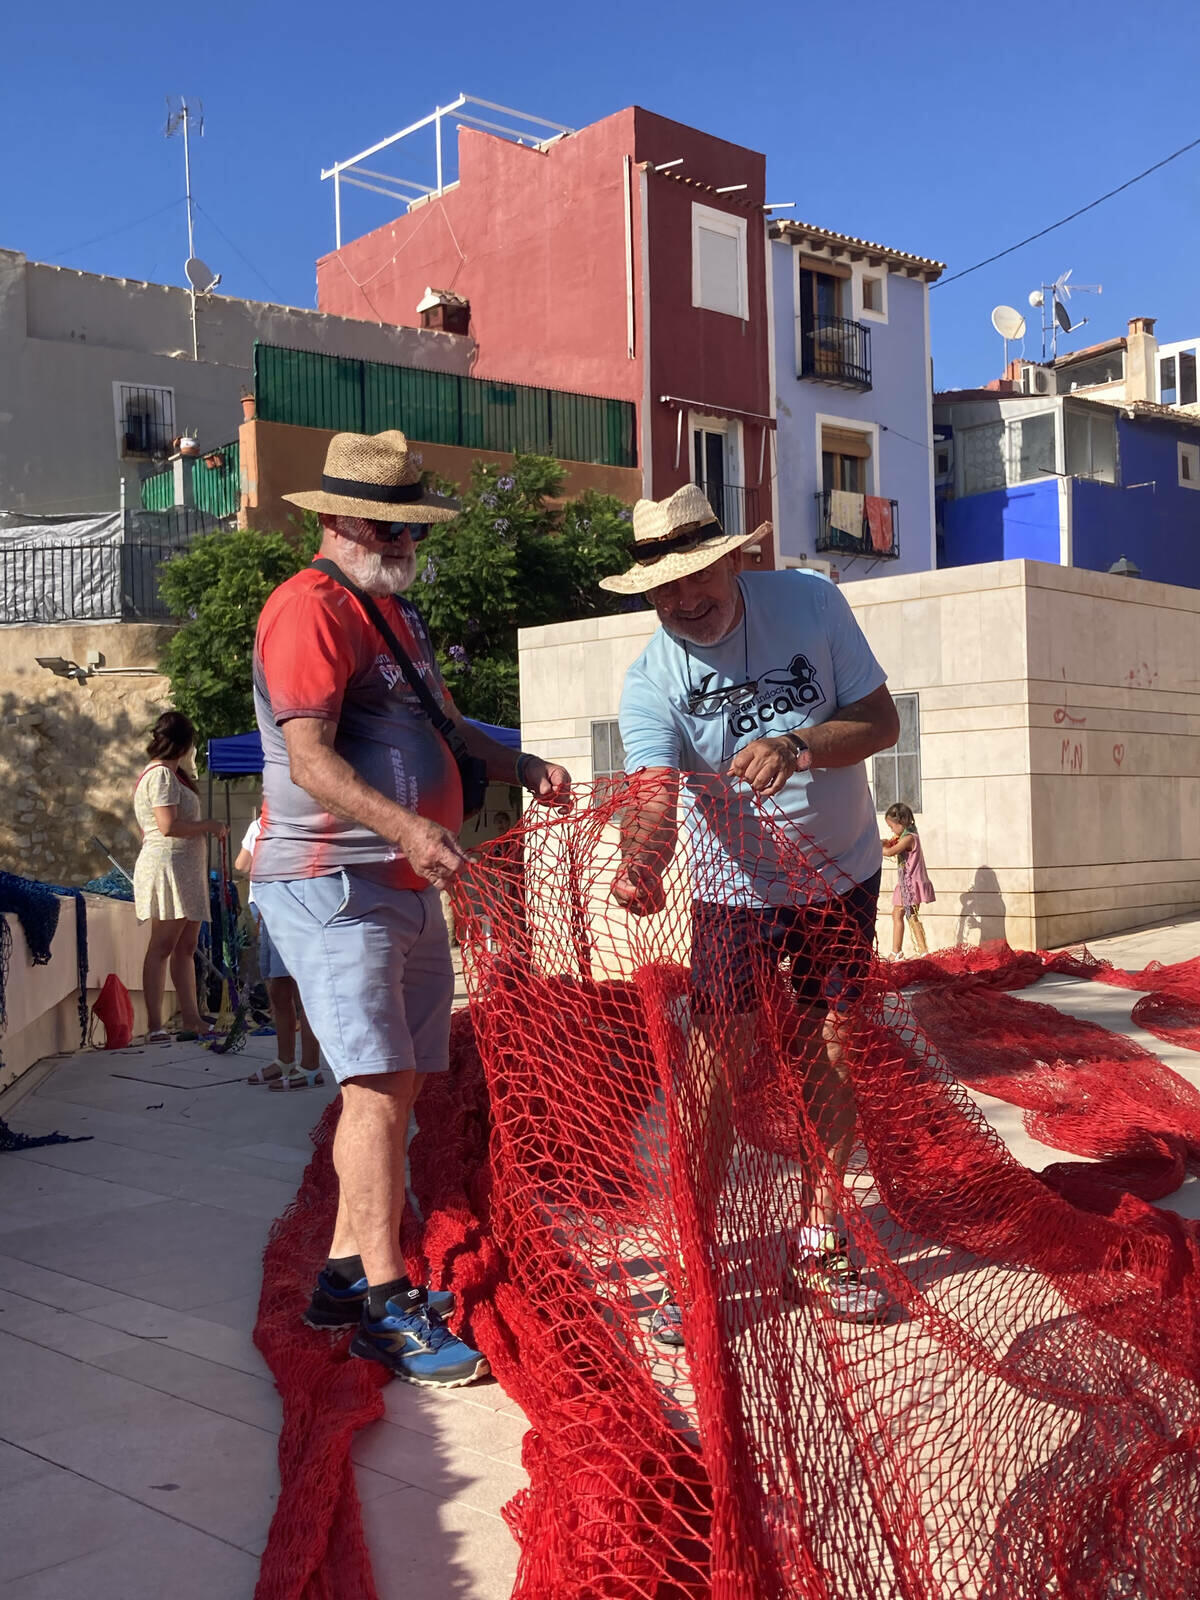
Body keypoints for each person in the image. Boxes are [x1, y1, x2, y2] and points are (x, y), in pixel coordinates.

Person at [250, 429, 571, 1388]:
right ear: (341, 521)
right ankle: (389, 1307)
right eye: (389, 526)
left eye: (410, 527)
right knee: (378, 1084)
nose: (403, 542)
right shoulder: (308, 610)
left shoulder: (394, 612)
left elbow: (444, 722)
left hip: (407, 882)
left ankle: (347, 1277)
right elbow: (311, 759)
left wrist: (517, 761)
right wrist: (406, 828)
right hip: (335, 882)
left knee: (406, 1081)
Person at [599, 484, 900, 1343]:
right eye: (665, 588)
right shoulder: (651, 678)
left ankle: (819, 1239)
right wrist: (640, 864)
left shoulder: (810, 600)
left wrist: (798, 744)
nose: (686, 599)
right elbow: (654, 797)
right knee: (714, 1072)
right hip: (734, 890)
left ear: (736, 559)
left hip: (841, 873)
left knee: (830, 1050)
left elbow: (878, 722)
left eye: (699, 575)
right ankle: (689, 1254)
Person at [133, 711, 228, 1042]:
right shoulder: (160, 776)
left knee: (186, 946)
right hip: (169, 867)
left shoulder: (176, 776)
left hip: (185, 869)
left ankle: (191, 1019)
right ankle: (155, 1025)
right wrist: (209, 826)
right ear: (185, 743)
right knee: (162, 945)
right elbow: (167, 826)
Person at [235, 815, 324, 1089]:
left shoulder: (303, 821)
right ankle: (285, 1060)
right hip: (265, 907)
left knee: (303, 989)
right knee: (278, 989)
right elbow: (241, 865)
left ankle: (310, 1065)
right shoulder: (259, 825)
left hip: (294, 906)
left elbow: (243, 863)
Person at [881, 802, 935, 958]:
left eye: (892, 826)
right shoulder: (906, 835)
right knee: (906, 915)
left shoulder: (909, 838)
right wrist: (885, 841)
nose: (891, 830)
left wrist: (878, 847)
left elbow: (891, 851)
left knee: (902, 914)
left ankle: (902, 952)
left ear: (901, 822)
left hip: (911, 883)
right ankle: (917, 950)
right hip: (907, 882)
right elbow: (891, 843)